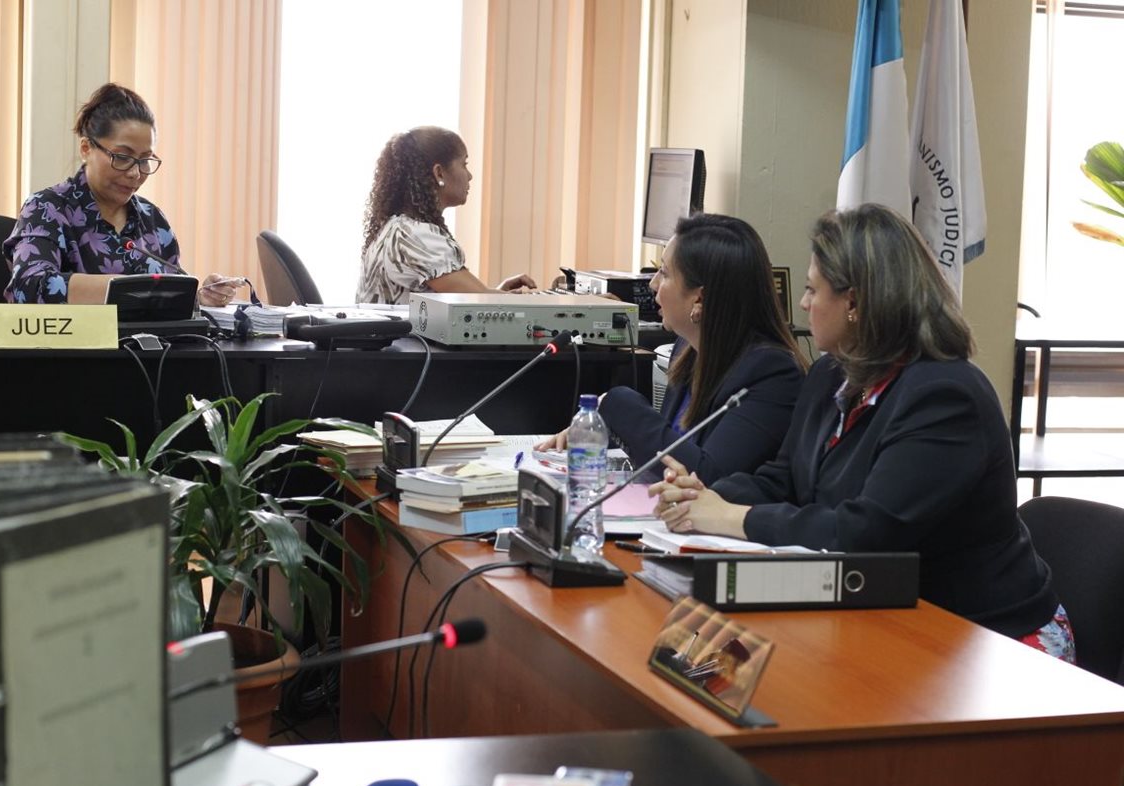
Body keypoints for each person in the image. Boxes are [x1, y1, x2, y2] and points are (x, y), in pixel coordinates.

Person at [651, 204, 1073, 659]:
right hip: (883, 613)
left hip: (988, 638)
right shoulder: (831, 374)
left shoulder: (945, 398)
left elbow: (865, 535)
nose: (803, 304)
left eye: (812, 289)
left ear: (853, 303)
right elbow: (784, 477)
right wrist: (702, 496)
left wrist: (730, 517)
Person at [537, 214, 805, 485]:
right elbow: (671, 448)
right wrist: (597, 434)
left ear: (699, 298)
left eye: (664, 273)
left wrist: (616, 404)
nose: (653, 283)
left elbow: (705, 477)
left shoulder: (771, 374)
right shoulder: (687, 347)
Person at [3, 83, 239, 307]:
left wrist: (197, 296)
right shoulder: (47, 208)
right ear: (86, 148)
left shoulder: (154, 221)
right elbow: (29, 287)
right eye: (123, 157)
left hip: (149, 339)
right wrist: (129, 291)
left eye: (145, 160)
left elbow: (170, 296)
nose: (135, 173)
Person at [357, 126, 536, 304]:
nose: (470, 176)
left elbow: (476, 298)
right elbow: (479, 302)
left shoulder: (398, 228)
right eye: (464, 164)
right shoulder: (413, 236)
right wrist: (532, 299)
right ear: (439, 173)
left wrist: (494, 293)